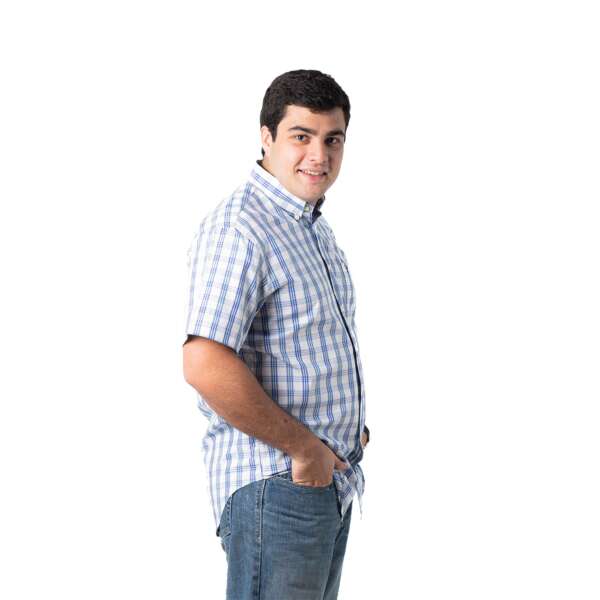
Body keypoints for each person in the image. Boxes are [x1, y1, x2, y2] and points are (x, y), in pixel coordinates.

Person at [182, 69, 370, 600]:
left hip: (324, 484)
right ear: (266, 137)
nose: (319, 155)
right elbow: (204, 362)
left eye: (333, 139)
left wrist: (345, 432)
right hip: (279, 482)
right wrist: (304, 449)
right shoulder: (243, 227)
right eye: (301, 136)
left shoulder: (310, 228)